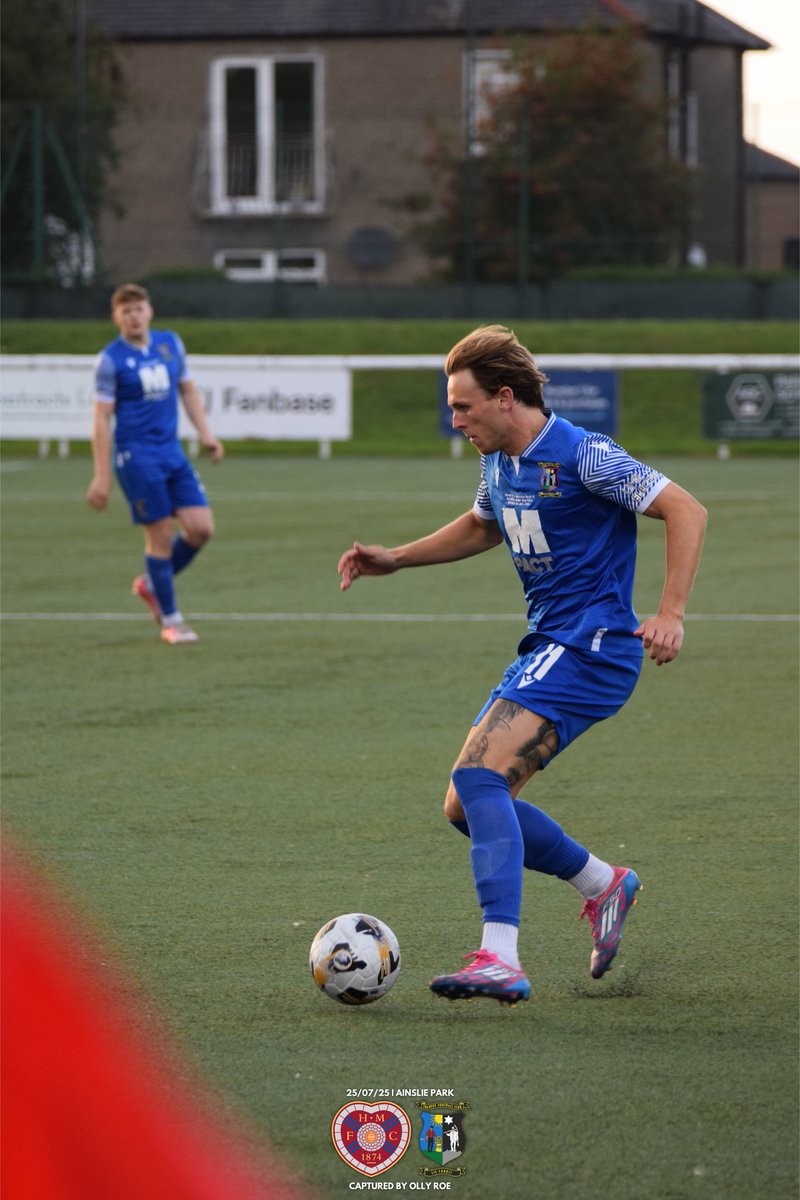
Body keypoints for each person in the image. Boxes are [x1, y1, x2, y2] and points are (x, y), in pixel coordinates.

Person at [338, 325, 707, 1006]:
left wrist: (671, 612)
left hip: (592, 645)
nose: (456, 421)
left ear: (505, 397)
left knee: (479, 776)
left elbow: (685, 508)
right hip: (549, 646)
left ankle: (500, 956)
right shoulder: (499, 462)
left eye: (464, 406)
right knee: (466, 806)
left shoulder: (583, 453)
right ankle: (602, 883)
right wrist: (397, 558)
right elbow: (484, 524)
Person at [86, 283, 223, 644]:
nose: (133, 316)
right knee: (160, 537)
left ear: (150, 311)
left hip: (172, 453)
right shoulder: (110, 360)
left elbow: (187, 390)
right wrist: (101, 475)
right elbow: (102, 419)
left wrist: (206, 434)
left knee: (201, 529)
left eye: (138, 308)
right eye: (125, 311)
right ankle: (172, 620)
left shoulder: (170, 343)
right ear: (116, 318)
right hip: (137, 458)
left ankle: (151, 585)